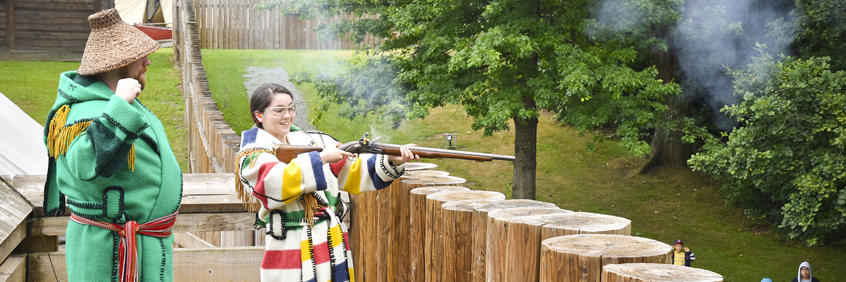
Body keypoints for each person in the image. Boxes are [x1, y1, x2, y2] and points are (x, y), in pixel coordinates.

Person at [42, 9, 182, 282]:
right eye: (140, 56)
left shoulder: (116, 105)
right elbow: (84, 164)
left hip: (138, 245)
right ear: (118, 63)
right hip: (109, 254)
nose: (147, 62)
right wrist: (118, 106)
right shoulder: (86, 112)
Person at [235, 83, 418, 282]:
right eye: (279, 110)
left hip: (330, 240)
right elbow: (274, 182)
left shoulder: (315, 141)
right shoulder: (251, 154)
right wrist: (320, 159)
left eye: (290, 108)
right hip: (289, 245)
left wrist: (392, 160)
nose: (287, 116)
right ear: (258, 116)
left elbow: (353, 171)